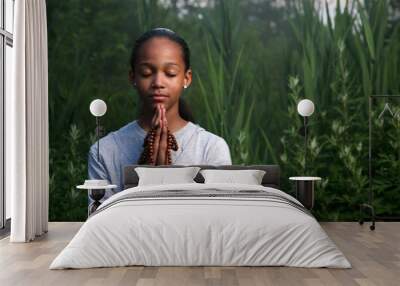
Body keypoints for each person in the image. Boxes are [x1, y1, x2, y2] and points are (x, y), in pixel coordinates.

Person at [88, 28, 232, 201]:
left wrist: (166, 181)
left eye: (170, 73)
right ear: (133, 77)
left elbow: (218, 218)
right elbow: (102, 222)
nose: (158, 83)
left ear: (186, 78)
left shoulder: (211, 148)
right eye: (147, 73)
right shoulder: (104, 151)